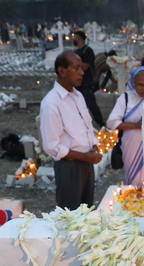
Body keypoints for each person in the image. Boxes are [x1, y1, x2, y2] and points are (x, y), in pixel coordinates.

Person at [39, 51, 102, 210]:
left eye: (82, 68)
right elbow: (52, 146)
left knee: (86, 211)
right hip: (69, 167)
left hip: (86, 162)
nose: (82, 72)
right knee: (70, 216)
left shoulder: (78, 96)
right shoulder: (51, 103)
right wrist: (85, 156)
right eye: (76, 68)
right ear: (62, 71)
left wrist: (94, 145)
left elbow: (87, 125)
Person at [107, 67, 144, 186]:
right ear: (133, 83)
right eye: (139, 85)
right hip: (131, 146)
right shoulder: (126, 98)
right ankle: (134, 204)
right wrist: (136, 125)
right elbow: (111, 122)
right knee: (133, 181)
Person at [73, 31, 105, 129]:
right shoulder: (76, 52)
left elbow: (85, 66)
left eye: (75, 37)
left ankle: (101, 124)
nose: (73, 39)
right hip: (78, 83)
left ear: (79, 38)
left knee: (91, 104)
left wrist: (75, 69)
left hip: (87, 82)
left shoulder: (87, 51)